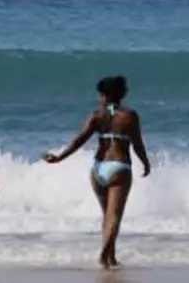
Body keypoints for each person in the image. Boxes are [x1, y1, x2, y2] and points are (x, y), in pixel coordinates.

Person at [41, 74, 152, 269]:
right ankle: (105, 253)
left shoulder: (96, 115)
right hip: (120, 167)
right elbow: (137, 144)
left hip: (98, 169)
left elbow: (78, 141)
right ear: (122, 94)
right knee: (114, 215)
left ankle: (111, 256)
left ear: (103, 95)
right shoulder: (129, 116)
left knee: (106, 215)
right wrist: (145, 162)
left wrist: (59, 158)